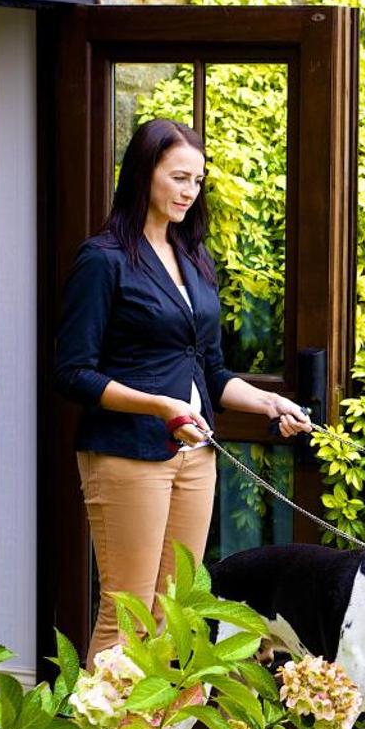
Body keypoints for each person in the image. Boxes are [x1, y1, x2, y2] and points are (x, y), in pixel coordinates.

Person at [53, 117, 311, 662]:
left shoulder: (193, 257)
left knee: (175, 611)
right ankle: (97, 721)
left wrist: (269, 402)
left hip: (196, 458)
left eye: (197, 180)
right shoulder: (103, 259)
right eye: (178, 177)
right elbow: (73, 373)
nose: (190, 191)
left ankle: (160, 721)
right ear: (144, 174)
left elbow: (210, 371)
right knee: (127, 615)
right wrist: (160, 406)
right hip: (127, 453)